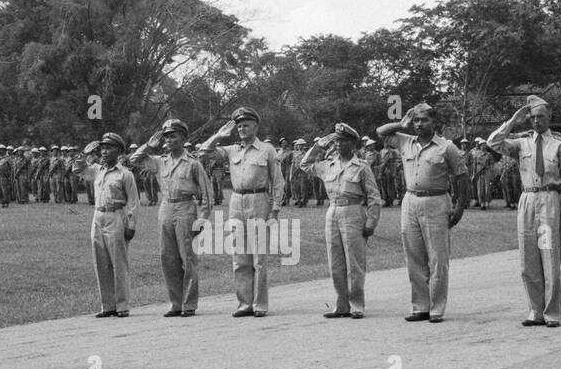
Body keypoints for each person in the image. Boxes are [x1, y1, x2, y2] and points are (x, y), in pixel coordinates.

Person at [487, 95, 561, 328]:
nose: (536, 121)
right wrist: (512, 122)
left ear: (549, 118)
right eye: (533, 117)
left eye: (541, 117)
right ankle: (535, 310)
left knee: (549, 256)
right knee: (528, 259)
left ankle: (552, 312)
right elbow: (493, 143)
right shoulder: (521, 143)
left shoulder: (558, 145)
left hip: (548, 201)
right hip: (527, 200)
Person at [375, 103, 467, 322]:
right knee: (414, 256)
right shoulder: (405, 141)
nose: (419, 124)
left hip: (436, 201)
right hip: (410, 201)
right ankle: (420, 306)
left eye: (424, 120)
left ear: (434, 122)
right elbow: (380, 132)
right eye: (416, 120)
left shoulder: (447, 147)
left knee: (438, 258)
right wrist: (401, 123)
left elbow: (462, 177)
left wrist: (460, 206)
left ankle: (436, 308)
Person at [198, 107, 285, 317]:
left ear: (256, 126)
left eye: (246, 125)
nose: (242, 129)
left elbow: (278, 181)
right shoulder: (231, 150)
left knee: (259, 258)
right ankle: (244, 303)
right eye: (239, 126)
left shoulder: (267, 150)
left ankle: (259, 304)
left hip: (259, 200)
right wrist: (219, 136)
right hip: (236, 201)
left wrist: (275, 210)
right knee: (239, 256)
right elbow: (203, 152)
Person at [127, 118, 213, 317]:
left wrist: (203, 218)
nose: (168, 140)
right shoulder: (159, 161)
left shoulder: (193, 163)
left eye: (173, 136)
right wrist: (149, 145)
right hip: (165, 207)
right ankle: (176, 303)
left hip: (185, 207)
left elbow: (206, 194)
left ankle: (189, 304)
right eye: (166, 136)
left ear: (183, 138)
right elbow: (133, 160)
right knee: (168, 258)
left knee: (187, 258)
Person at [299, 123, 382, 318]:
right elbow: (304, 165)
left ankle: (356, 305)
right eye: (336, 141)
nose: (338, 145)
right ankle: (341, 304)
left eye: (343, 141)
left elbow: (373, 196)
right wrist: (320, 145)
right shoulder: (328, 164)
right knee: (335, 262)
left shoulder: (361, 167)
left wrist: (371, 221)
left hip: (353, 211)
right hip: (333, 211)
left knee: (354, 262)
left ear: (353, 144)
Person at [91, 132, 139, 317]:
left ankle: (122, 305)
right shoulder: (97, 170)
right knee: (100, 262)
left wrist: (131, 225)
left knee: (118, 263)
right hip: (98, 215)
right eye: (102, 148)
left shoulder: (125, 174)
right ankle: (107, 305)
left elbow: (133, 202)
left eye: (109, 148)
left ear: (118, 151)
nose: (104, 151)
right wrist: (85, 154)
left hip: (116, 215)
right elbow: (77, 170)